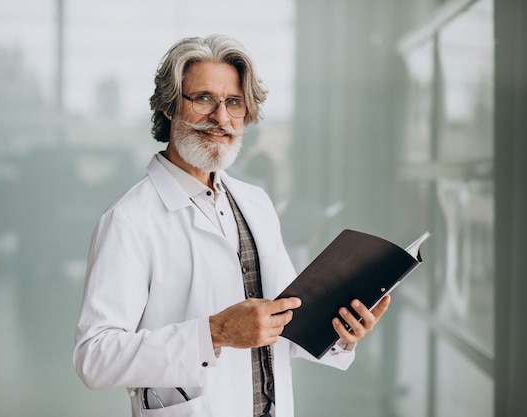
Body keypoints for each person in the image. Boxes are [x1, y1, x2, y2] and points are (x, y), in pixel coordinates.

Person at [73, 34, 391, 417]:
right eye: (203, 98)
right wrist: (214, 334)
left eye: (234, 103)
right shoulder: (128, 219)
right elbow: (94, 358)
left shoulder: (255, 202)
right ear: (171, 107)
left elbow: (285, 326)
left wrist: (341, 333)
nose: (221, 118)